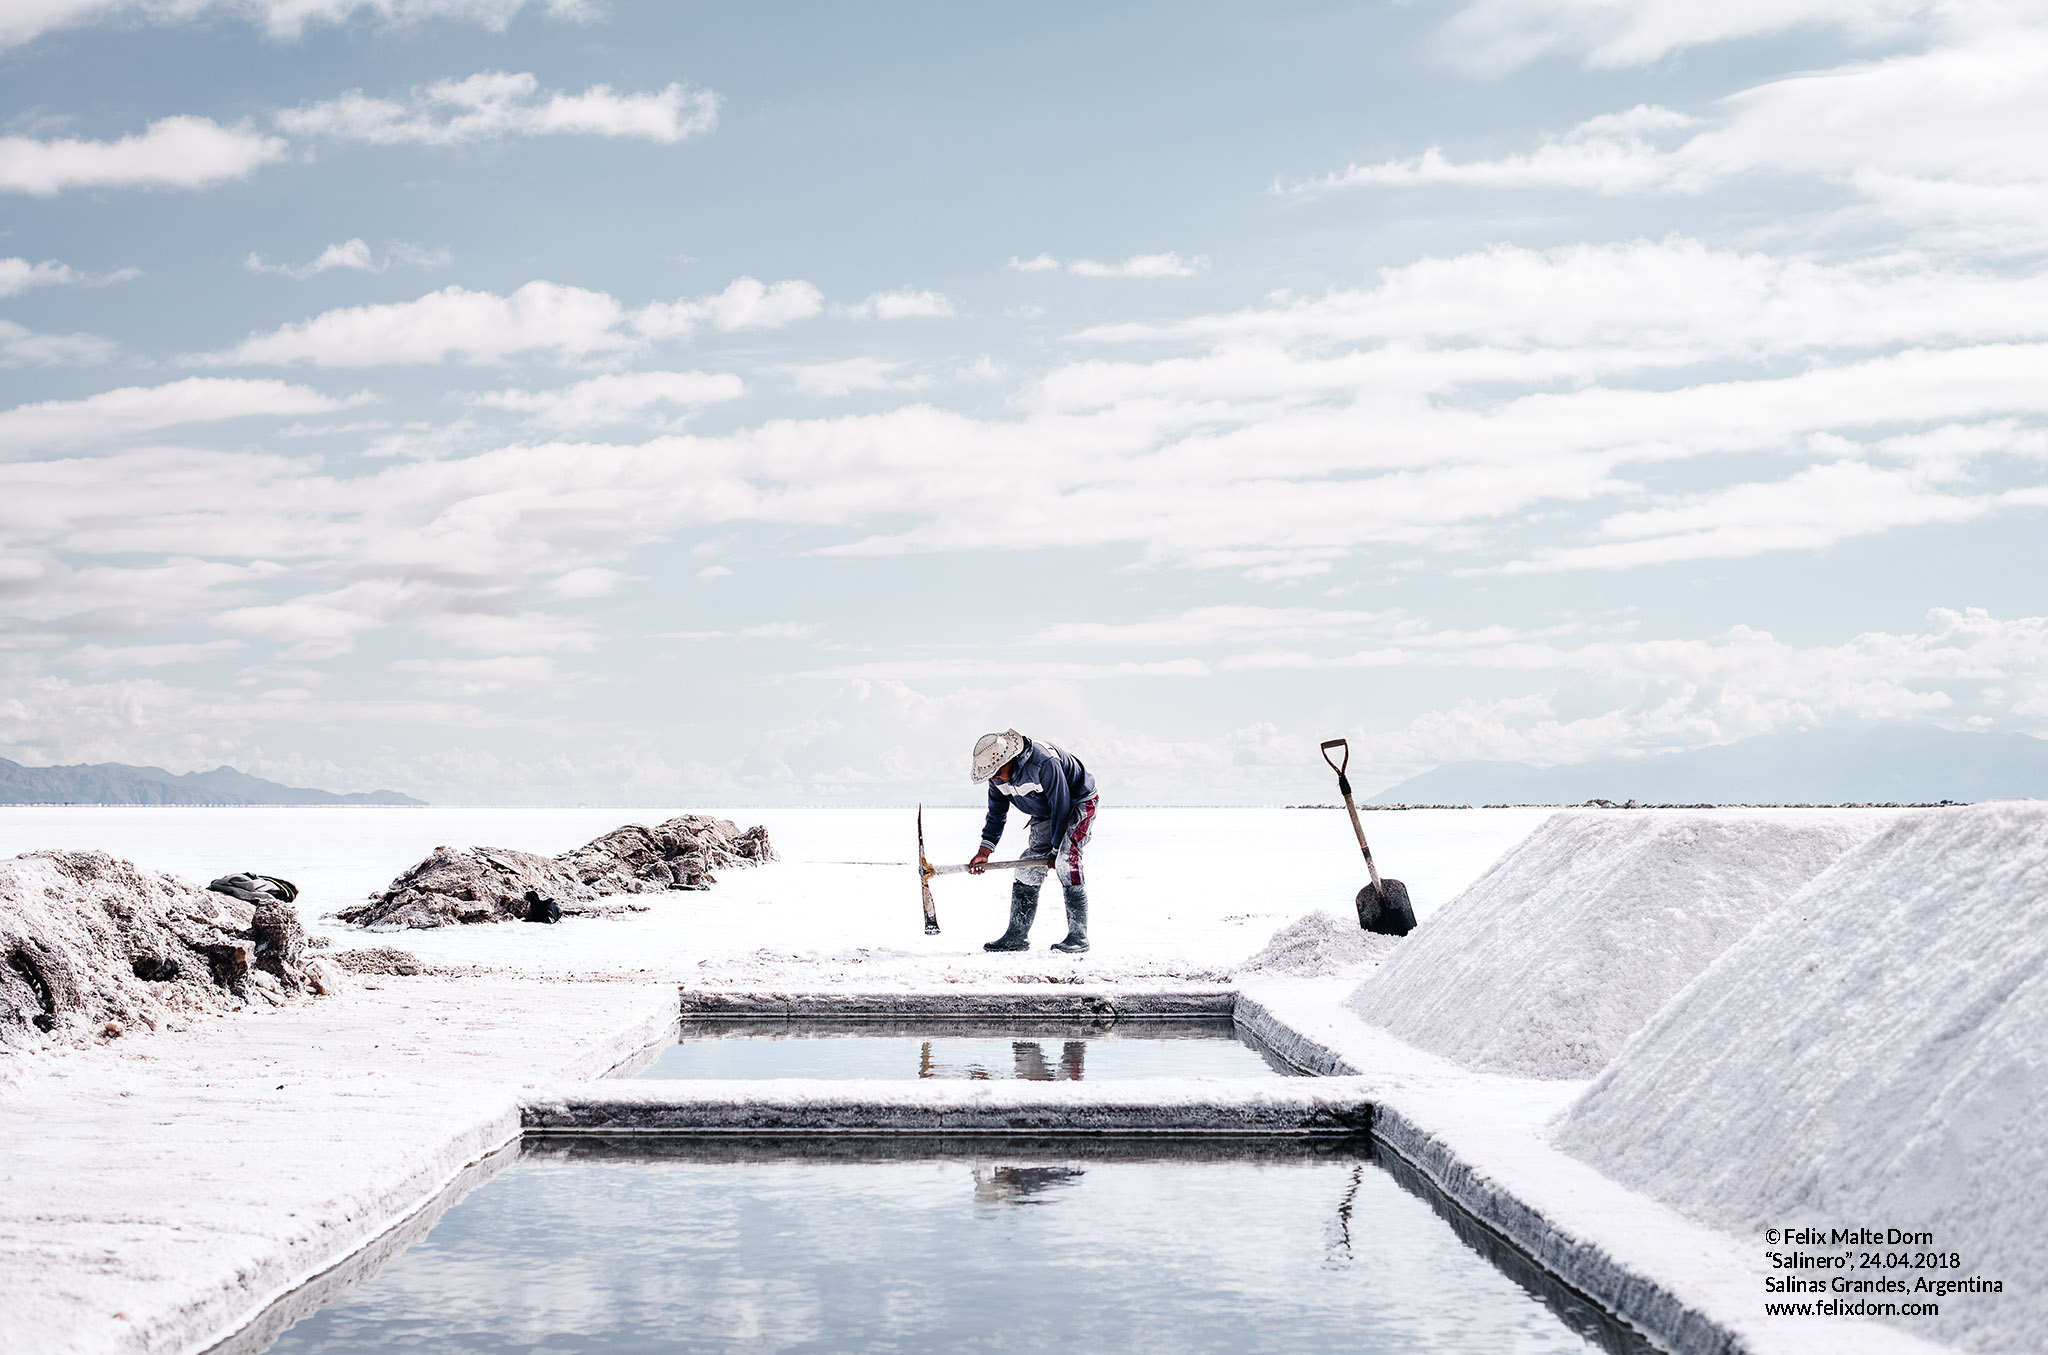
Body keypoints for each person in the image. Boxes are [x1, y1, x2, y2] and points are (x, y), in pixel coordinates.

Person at [967, 729, 1098, 953]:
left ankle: (1079, 937)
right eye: (990, 775)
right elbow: (996, 813)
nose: (993, 778)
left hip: (1076, 802)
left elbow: (1062, 805)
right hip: (1045, 810)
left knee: (1067, 861)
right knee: (1027, 868)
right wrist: (984, 851)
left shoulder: (1043, 763)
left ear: (1009, 760)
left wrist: (1056, 851)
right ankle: (1016, 936)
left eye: (996, 773)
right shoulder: (996, 778)